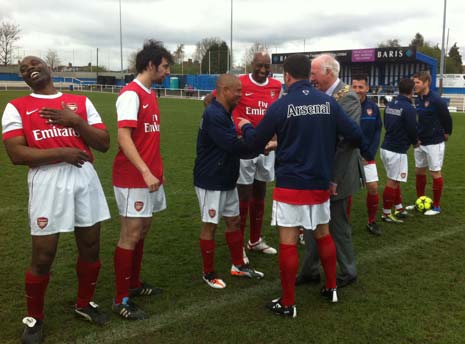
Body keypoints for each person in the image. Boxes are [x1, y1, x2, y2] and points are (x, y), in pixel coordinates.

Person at [238, 54, 368, 317]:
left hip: (291, 184)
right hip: (320, 182)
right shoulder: (328, 103)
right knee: (323, 233)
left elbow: (253, 145)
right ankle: (330, 288)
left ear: (286, 76)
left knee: (287, 241)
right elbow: (356, 136)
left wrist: (247, 125)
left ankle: (288, 303)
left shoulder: (281, 106)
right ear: (308, 75)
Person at [2, 56, 111, 343]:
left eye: (33, 63)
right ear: (24, 79)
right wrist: (62, 153)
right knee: (43, 255)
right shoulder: (16, 107)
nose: (28, 69)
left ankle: (84, 303)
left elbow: (103, 143)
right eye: (22, 69)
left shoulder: (81, 102)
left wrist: (74, 121)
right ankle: (34, 319)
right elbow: (16, 154)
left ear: (49, 68)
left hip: (84, 178)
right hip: (48, 181)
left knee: (90, 246)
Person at [112, 40, 173, 320]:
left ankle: (133, 285)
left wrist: (156, 170)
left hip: (150, 177)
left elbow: (148, 140)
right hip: (132, 178)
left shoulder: (151, 94)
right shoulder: (131, 95)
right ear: (150, 65)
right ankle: (120, 298)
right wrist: (145, 171)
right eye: (165, 67)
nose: (167, 72)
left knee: (143, 230)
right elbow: (124, 137)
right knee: (130, 234)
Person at [204, 52, 282, 260]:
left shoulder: (276, 86)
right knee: (243, 196)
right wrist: (229, 125)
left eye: (266, 66)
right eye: (259, 65)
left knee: (260, 193)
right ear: (251, 64)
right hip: (244, 147)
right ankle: (239, 246)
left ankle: (255, 240)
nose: (263, 70)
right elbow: (209, 100)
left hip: (266, 148)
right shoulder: (240, 83)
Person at [297, 53, 364, 289]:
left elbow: (347, 143)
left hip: (338, 173)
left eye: (313, 73)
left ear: (328, 73)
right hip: (318, 171)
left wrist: (333, 178)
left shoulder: (348, 98)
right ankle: (310, 270)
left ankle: (348, 271)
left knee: (336, 223)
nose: (310, 77)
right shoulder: (321, 96)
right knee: (312, 222)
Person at [194, 73, 265, 289]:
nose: (241, 96)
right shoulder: (215, 115)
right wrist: (250, 131)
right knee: (210, 226)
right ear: (225, 91)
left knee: (233, 221)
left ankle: (238, 265)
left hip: (226, 178)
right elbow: (235, 146)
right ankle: (208, 273)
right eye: (238, 91)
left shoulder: (223, 111)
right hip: (211, 181)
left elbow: (234, 145)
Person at [410, 71, 453, 215]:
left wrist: (446, 133)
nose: (414, 85)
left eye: (417, 82)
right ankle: (420, 201)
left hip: (434, 142)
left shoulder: (436, 100)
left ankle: (436, 206)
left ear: (426, 83)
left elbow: (447, 118)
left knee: (435, 173)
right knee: (419, 171)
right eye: (414, 82)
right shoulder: (418, 98)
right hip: (420, 141)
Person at [379, 78, 418, 223]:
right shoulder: (409, 108)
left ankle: (399, 208)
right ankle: (386, 213)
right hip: (397, 150)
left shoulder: (391, 104)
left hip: (386, 147)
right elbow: (412, 129)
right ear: (412, 90)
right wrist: (415, 142)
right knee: (393, 181)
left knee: (395, 179)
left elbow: (386, 123)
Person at [351, 75, 382, 235]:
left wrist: (370, 153)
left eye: (360, 87)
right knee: (345, 192)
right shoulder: (346, 106)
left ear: (367, 88)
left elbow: (377, 130)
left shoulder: (373, 108)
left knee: (373, 188)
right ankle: (343, 224)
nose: (357, 91)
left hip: (367, 155)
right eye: (354, 87)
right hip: (348, 155)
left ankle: (371, 221)